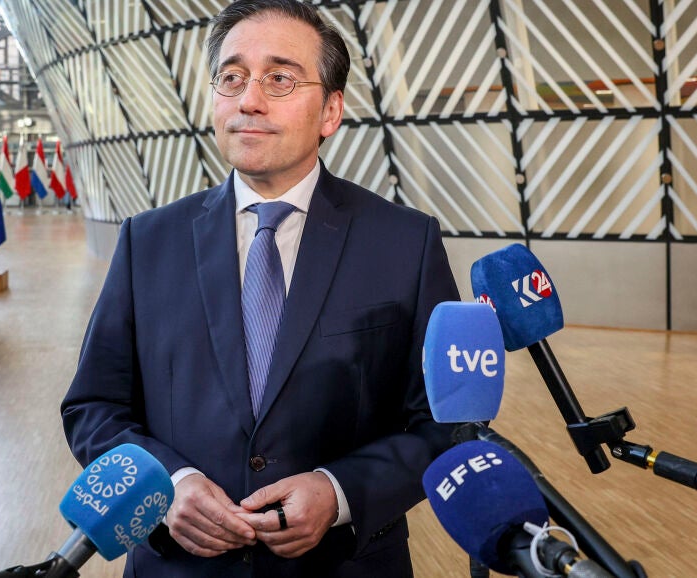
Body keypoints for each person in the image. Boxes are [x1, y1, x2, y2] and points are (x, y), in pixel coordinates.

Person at [61, 1, 459, 576]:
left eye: (279, 79)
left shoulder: (405, 242)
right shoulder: (147, 241)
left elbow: (446, 422)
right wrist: (170, 484)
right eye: (232, 77)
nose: (249, 100)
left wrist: (339, 491)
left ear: (330, 110)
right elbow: (94, 407)